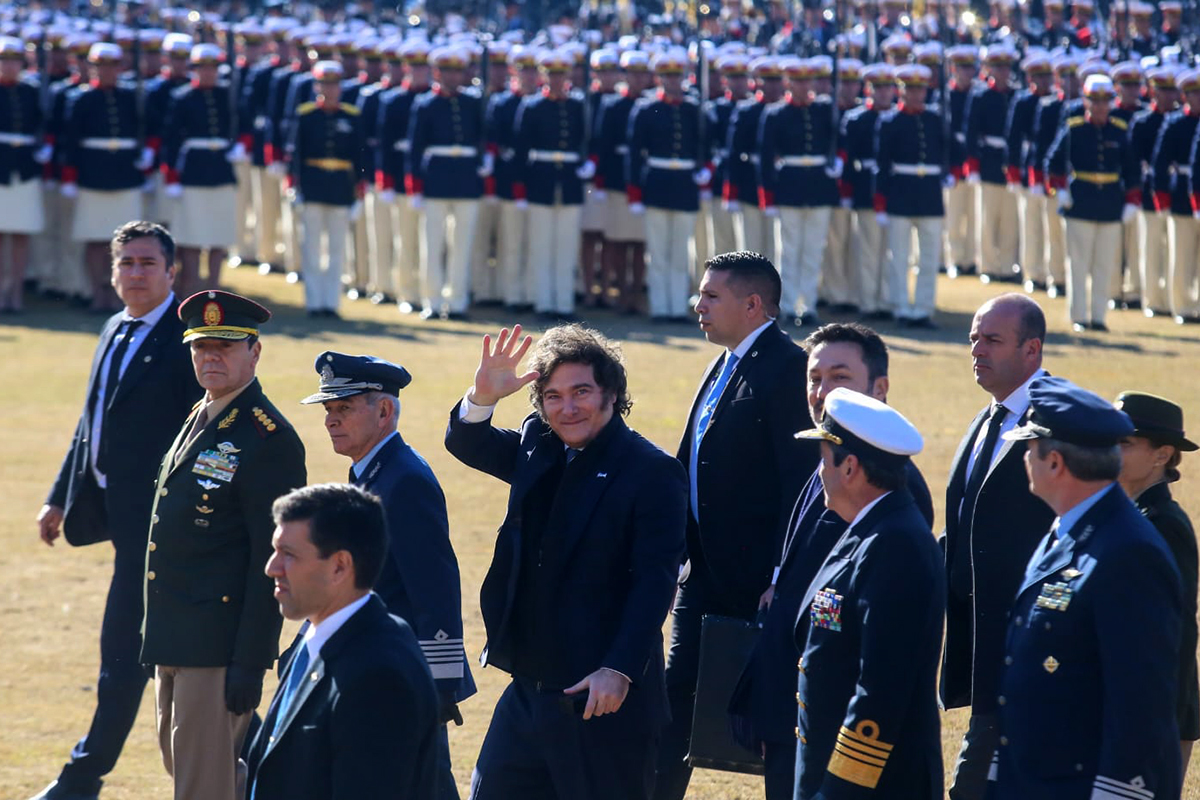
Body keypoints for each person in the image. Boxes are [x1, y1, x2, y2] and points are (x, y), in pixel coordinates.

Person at [444, 324, 687, 800]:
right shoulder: (540, 442)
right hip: (527, 692)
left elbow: (656, 583)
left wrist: (618, 669)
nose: (567, 408)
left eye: (581, 392)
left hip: (602, 700)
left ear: (612, 394)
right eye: (552, 396)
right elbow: (467, 443)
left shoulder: (653, 471)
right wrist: (482, 395)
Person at [729, 322, 934, 800]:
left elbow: (880, 682)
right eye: (814, 377)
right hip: (802, 728)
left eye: (838, 377)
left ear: (879, 388)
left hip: (856, 766)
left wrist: (841, 786)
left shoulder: (891, 510)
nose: (821, 393)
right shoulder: (837, 478)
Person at [31, 222, 200, 800]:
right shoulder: (113, 326)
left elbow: (202, 438)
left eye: (147, 263)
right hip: (115, 513)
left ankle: (83, 777)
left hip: (162, 530)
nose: (134, 273)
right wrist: (60, 494)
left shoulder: (190, 341)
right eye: (125, 263)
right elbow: (91, 423)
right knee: (154, 659)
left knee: (126, 657)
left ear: (173, 272)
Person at [654, 251, 815, 800]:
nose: (698, 306)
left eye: (710, 296)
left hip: (760, 588)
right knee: (674, 707)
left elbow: (801, 482)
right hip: (704, 580)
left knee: (774, 725)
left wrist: (781, 573)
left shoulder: (788, 368)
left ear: (752, 305)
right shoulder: (724, 361)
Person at [141, 289, 306, 800]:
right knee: (201, 776)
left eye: (226, 346)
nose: (210, 357)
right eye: (200, 346)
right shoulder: (202, 415)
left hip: (217, 647)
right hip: (176, 637)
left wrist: (251, 661)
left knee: (201, 788)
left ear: (254, 352)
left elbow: (272, 559)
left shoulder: (268, 437)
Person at [989, 377, 1183, 800]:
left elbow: (1141, 709)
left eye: (1029, 449)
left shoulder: (1129, 553)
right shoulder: (1067, 530)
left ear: (1055, 462)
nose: (1025, 458)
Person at [300, 351, 476, 799]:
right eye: (328, 410)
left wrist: (438, 684)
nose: (330, 421)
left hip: (404, 677)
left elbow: (435, 586)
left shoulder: (404, 480)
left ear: (383, 411)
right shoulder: (373, 473)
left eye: (344, 408)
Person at [791, 388, 945, 800]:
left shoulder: (896, 547)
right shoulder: (868, 528)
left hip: (870, 786)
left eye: (824, 460)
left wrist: (839, 789)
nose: (820, 472)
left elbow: (880, 690)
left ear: (850, 467)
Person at [242, 483, 440, 800]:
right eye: (275, 550)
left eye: (288, 555)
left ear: (339, 566)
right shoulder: (317, 637)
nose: (271, 568)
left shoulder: (378, 676)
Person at [941, 292, 1054, 800]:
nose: (977, 350)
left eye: (992, 340)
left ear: (1032, 350)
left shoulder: (1061, 421)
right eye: (973, 339)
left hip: (1035, 654)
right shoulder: (988, 417)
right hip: (986, 649)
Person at [1113, 391, 1199, 772]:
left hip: (1156, 719)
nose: (1111, 451)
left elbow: (1175, 636)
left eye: (1124, 443)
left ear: (1162, 455)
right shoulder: (1129, 514)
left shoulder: (1164, 526)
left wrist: (1162, 722)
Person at [1046, 74, 1141, 332]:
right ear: (1086, 102)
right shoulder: (1074, 128)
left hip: (1110, 203)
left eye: (1105, 101)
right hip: (1081, 203)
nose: (1100, 106)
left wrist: (1132, 200)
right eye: (1095, 101)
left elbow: (1132, 169)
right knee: (1078, 264)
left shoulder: (1120, 131)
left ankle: (1098, 317)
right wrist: (1060, 190)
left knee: (1104, 265)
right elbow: (1053, 162)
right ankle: (1078, 316)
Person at [60, 42, 151, 312]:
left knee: (126, 240)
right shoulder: (81, 98)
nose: (107, 71)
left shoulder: (130, 97)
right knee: (94, 238)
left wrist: (145, 163)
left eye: (112, 65)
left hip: (125, 172)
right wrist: (68, 177)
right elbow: (71, 141)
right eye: (101, 65)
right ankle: (97, 292)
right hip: (93, 173)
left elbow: (144, 129)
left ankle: (118, 294)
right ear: (92, 67)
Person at [757, 57, 839, 328]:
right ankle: (789, 305)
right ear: (789, 83)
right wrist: (767, 195)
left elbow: (841, 138)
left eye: (807, 81)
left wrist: (838, 159)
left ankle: (810, 304)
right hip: (789, 185)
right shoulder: (777, 113)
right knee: (789, 251)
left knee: (814, 250)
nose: (803, 86)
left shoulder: (825, 109)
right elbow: (766, 155)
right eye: (797, 81)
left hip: (818, 184)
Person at [160, 43, 241, 296]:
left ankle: (215, 288)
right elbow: (171, 139)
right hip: (193, 171)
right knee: (192, 238)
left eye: (213, 68)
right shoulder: (182, 97)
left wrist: (241, 145)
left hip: (221, 170)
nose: (208, 73)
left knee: (219, 236)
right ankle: (192, 289)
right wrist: (171, 176)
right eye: (203, 68)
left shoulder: (227, 94)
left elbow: (244, 123)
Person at [288, 60, 364, 319]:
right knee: (311, 247)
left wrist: (358, 194)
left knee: (336, 249)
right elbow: (296, 154)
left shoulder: (351, 116)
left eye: (334, 84)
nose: (330, 90)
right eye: (325, 84)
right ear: (317, 86)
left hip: (340, 189)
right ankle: (314, 302)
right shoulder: (306, 114)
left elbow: (359, 157)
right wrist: (295, 187)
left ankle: (331, 302)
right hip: (313, 186)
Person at [874, 63, 946, 328]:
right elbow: (882, 164)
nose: (917, 94)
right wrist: (880, 201)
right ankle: (901, 307)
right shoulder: (891, 121)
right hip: (901, 193)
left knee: (928, 258)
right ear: (902, 91)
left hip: (929, 193)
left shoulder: (934, 119)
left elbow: (945, 148)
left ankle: (923, 308)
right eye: (912, 89)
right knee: (899, 257)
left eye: (921, 89)